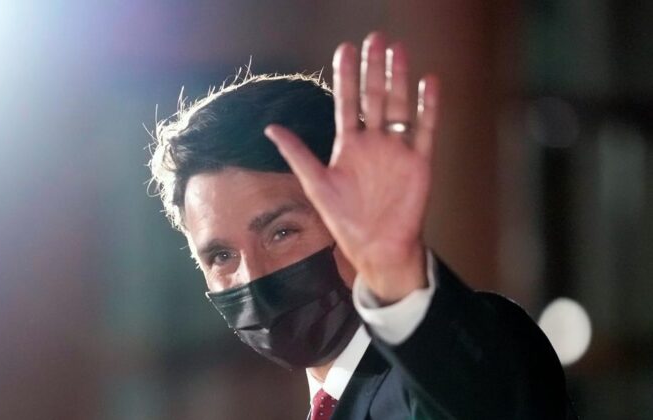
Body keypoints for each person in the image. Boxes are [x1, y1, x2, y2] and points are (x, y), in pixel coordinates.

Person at [149, 32, 576, 419]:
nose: (253, 276)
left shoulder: (463, 363)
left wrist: (399, 282)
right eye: (221, 255)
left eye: (281, 232)